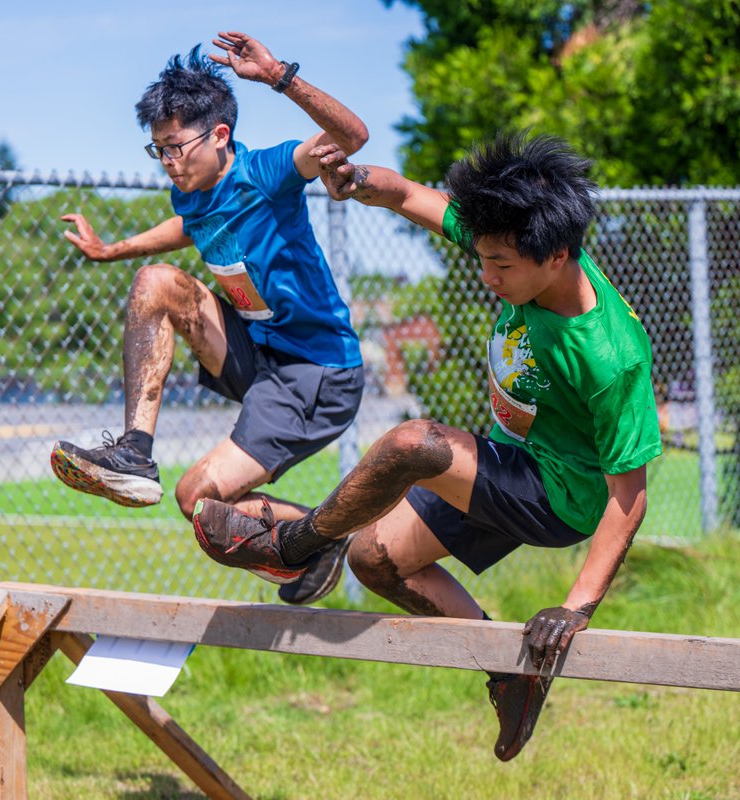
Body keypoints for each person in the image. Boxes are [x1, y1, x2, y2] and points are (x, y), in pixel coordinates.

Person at [191, 132, 662, 761]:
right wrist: (363, 182)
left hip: (561, 496)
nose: (487, 277)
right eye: (482, 259)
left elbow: (629, 495)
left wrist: (577, 607)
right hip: (515, 460)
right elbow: (414, 196)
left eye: (501, 267)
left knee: (415, 443)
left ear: (557, 257)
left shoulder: (610, 356)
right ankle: (512, 675)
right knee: (375, 560)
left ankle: (294, 546)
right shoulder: (517, 237)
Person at [50, 32, 368, 606]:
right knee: (155, 282)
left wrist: (278, 76)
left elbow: (352, 136)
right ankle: (134, 453)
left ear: (220, 135)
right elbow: (186, 227)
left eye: (176, 147)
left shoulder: (269, 172)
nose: (169, 163)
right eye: (158, 151)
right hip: (258, 355)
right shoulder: (192, 193)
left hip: (317, 373)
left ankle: (321, 537)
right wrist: (111, 250)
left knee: (198, 499)